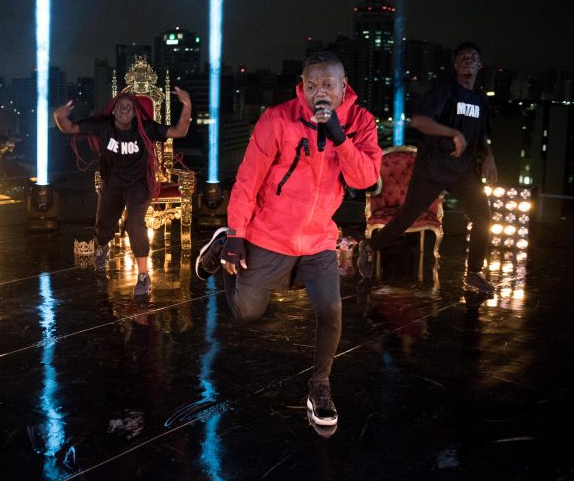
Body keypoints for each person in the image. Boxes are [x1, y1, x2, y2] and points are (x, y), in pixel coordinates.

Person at [196, 51, 382, 427]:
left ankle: (319, 387)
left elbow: (366, 180)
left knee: (331, 310)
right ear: (302, 85)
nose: (319, 93)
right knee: (246, 314)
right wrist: (236, 236)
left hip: (317, 242)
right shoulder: (278, 118)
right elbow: (247, 181)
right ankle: (222, 244)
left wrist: (339, 138)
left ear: (344, 86)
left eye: (328, 85)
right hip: (270, 233)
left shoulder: (361, 122)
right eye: (311, 85)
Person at [356, 42, 497, 294]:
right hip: (432, 167)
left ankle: (474, 273)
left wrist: (489, 157)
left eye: (473, 57)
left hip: (463, 171)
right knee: (404, 220)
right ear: (455, 64)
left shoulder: (480, 99)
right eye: (462, 56)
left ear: (480, 65)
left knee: (483, 218)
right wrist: (452, 132)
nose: (467, 59)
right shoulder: (445, 89)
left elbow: (482, 133)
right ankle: (368, 247)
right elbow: (420, 121)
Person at [53, 87, 192, 297]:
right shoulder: (103, 126)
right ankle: (102, 247)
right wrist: (58, 116)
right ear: (114, 111)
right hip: (113, 182)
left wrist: (187, 105)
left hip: (139, 183)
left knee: (134, 222)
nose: (125, 109)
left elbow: (180, 132)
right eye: (120, 106)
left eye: (129, 107)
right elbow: (68, 128)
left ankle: (143, 276)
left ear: (135, 112)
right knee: (104, 224)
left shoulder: (145, 128)